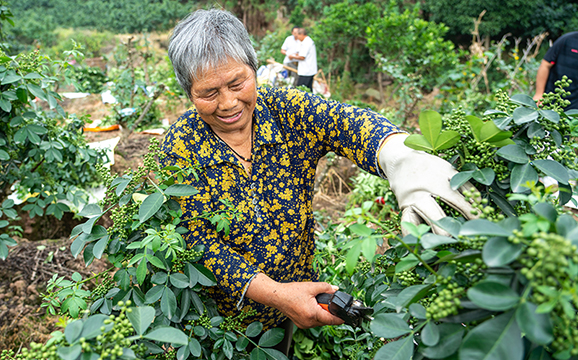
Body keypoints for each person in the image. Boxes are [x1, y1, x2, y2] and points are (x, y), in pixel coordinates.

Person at [164, 8, 476, 354]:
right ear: (188, 93)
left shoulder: (288, 111)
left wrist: (396, 155)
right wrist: (278, 295)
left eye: (238, 83)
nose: (229, 102)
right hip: (219, 319)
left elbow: (345, 122)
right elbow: (198, 241)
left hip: (291, 305)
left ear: (255, 69)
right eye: (209, 93)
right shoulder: (180, 146)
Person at [533, 31, 578, 110]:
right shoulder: (566, 40)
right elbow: (545, 64)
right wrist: (539, 94)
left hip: (575, 107)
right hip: (552, 99)